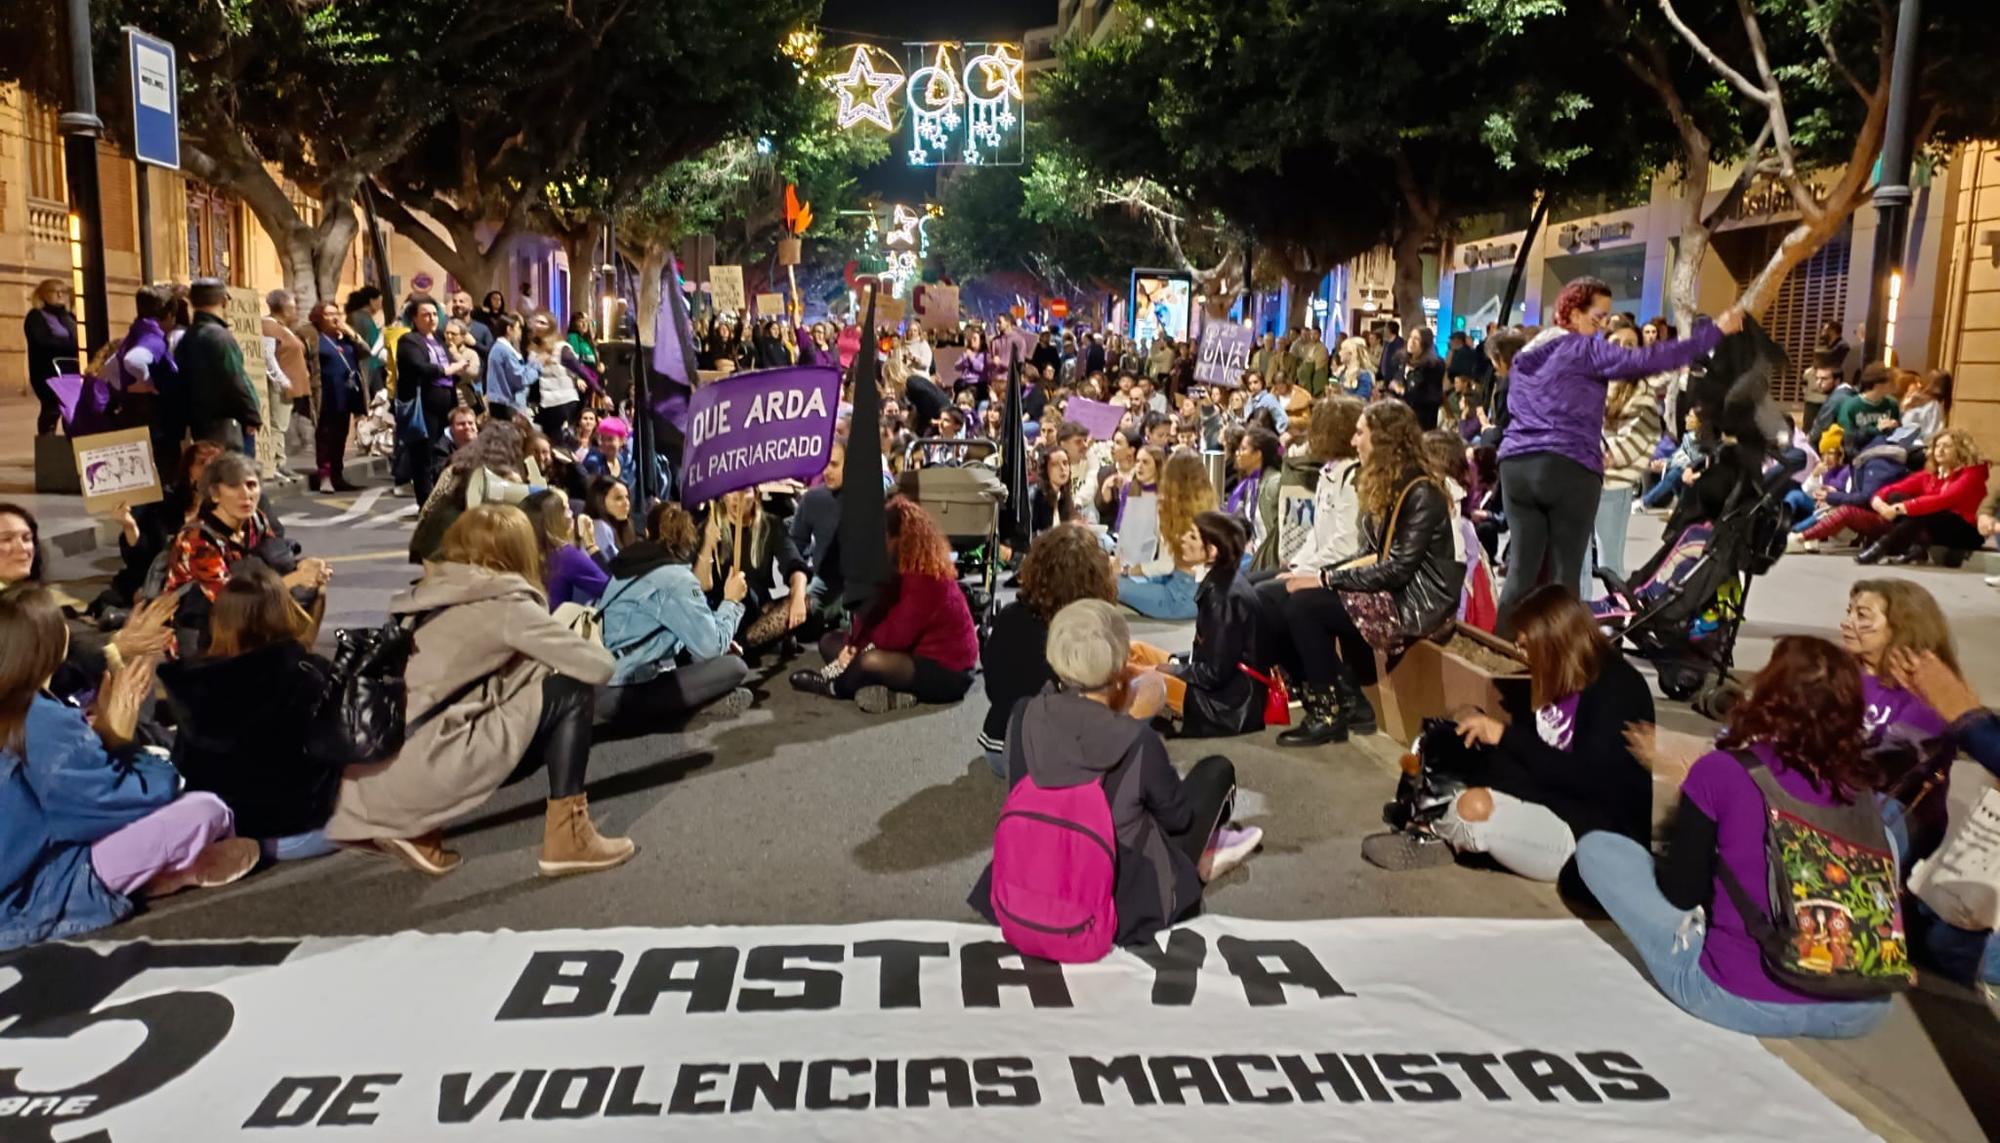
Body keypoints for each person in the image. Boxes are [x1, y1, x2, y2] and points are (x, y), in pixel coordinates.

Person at [1575, 636, 1894, 1039]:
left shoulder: (1721, 771)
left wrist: (1686, 788)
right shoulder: (1859, 787)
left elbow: (1681, 894)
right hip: (1859, 1009)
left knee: (1600, 850)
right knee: (1884, 842)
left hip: (1740, 998)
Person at [326, 505, 630, 877]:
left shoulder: (425, 596)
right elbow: (599, 667)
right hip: (427, 769)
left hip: (370, 776)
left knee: (516, 683)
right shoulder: (504, 603)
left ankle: (418, 831)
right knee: (570, 689)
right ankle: (569, 836)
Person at [969, 600, 1259, 949]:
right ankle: (1196, 865)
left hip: (1035, 877)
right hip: (1117, 900)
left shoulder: (1023, 716)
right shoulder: (1136, 740)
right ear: (1121, 664)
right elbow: (1178, 818)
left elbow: (1024, 792)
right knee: (1216, 771)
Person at [1, 585, 265, 952]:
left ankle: (165, 871)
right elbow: (117, 805)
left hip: (27, 869)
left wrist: (105, 738)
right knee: (206, 810)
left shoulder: (26, 708)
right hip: (31, 893)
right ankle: (160, 874)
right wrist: (120, 742)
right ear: (51, 640)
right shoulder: (39, 719)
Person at [1495, 277, 1740, 634]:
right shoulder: (1583, 349)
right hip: (1569, 465)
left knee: (1520, 571)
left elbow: (1515, 408)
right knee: (1565, 578)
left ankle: (1498, 658)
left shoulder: (1524, 358)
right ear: (1573, 313)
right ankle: (1564, 672)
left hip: (1516, 466)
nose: (1602, 326)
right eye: (1597, 318)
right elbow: (1651, 358)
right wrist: (1713, 333)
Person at [1413, 585, 1655, 892]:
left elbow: (1585, 781)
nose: (1519, 650)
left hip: (1591, 835)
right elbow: (1534, 756)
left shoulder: (1617, 690)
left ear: (1553, 643)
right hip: (1551, 805)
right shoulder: (1559, 676)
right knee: (1459, 768)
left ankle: (1437, 828)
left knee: (1471, 808)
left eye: (1527, 645)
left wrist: (1504, 738)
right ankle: (1445, 825)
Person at [1274, 400, 1461, 745]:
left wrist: (1324, 579)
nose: (1353, 441)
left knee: (1304, 607)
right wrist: (1312, 575)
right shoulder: (1387, 481)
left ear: (1385, 439)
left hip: (1416, 607)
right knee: (1293, 595)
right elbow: (1368, 555)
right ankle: (1350, 701)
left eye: (1361, 433)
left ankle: (1327, 713)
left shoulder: (1419, 491)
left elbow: (1396, 570)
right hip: (1393, 592)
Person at [156, 565, 341, 861]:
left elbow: (186, 761)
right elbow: (338, 748)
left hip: (223, 827)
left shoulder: (191, 683)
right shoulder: (302, 673)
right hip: (294, 829)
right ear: (281, 612)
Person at [790, 497, 977, 712]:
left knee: (871, 660)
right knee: (828, 641)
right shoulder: (893, 569)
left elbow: (894, 639)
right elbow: (870, 622)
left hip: (947, 670)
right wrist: (854, 643)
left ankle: (833, 686)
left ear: (901, 539)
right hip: (907, 653)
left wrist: (858, 648)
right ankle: (891, 691)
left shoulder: (926, 580)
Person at [979, 524, 1124, 775]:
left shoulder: (1008, 615)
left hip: (998, 747)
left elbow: (993, 687)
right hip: (1054, 754)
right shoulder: (1086, 631)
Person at [596, 502, 754, 727]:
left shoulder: (629, 564)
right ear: (690, 539)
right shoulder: (675, 578)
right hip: (621, 692)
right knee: (733, 667)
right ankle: (698, 706)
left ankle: (696, 703)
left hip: (601, 677)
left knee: (704, 656)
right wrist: (731, 601)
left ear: (648, 532)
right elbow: (710, 648)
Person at [162, 451, 330, 645]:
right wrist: (293, 579)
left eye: (251, 485)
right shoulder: (196, 539)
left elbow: (274, 563)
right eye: (234, 486)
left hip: (247, 606)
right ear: (215, 494)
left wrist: (304, 567)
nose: (246, 495)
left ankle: (298, 655)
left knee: (314, 589)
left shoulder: (256, 520)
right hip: (203, 625)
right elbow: (228, 600)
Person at [1141, 512, 1269, 737]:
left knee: (1134, 674)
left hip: (1225, 702)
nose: (1182, 539)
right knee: (1136, 651)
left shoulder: (1222, 598)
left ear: (1212, 551)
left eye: (1192, 537)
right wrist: (1176, 663)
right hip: (1216, 683)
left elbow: (1214, 674)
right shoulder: (1222, 581)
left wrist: (1172, 669)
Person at [695, 488, 811, 655]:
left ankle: (737, 646)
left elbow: (794, 563)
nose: (738, 498)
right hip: (720, 609)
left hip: (756, 609)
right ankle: (764, 641)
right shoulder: (710, 524)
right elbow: (698, 586)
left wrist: (798, 595)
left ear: (756, 494)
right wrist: (707, 544)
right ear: (723, 495)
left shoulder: (770, 524)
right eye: (731, 491)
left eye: (745, 491)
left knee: (803, 601)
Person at [1854, 428, 1989, 567]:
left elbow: (1944, 500)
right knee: (1896, 497)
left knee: (1920, 513)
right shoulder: (1931, 474)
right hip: (1935, 524)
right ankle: (1912, 548)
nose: (1940, 450)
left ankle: (1882, 548)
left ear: (1961, 451)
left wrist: (1900, 508)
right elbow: (1891, 489)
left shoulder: (1972, 475)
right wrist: (1879, 503)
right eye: (1937, 446)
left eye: (1947, 446)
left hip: (1965, 531)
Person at [408, 420, 531, 564]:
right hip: (478, 550)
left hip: (438, 541)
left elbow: (430, 506)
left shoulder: (454, 469)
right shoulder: (510, 480)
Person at [1117, 451, 1218, 621]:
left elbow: (1166, 565)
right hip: (1203, 591)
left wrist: (1125, 570)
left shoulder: (1168, 510)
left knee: (1108, 584)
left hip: (1177, 597)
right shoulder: (1211, 506)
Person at [175, 278, 264, 453]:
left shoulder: (188, 337)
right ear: (224, 300)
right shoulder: (220, 337)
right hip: (229, 425)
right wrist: (251, 415)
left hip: (201, 424)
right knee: (237, 474)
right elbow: (234, 378)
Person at [1595, 375, 1665, 589]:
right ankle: (1585, 613)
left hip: (1614, 483)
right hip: (1583, 479)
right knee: (1580, 560)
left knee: (1609, 559)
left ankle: (1619, 608)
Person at [259, 290, 313, 484]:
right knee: (277, 425)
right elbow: (268, 358)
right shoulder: (268, 327)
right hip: (280, 386)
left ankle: (280, 462)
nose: (296, 311)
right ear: (283, 309)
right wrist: (283, 381)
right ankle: (275, 465)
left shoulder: (283, 328)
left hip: (289, 385)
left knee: (281, 425)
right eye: (293, 307)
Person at [523, 489, 609, 608]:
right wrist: (591, 545)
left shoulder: (521, 551)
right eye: (566, 509)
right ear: (555, 519)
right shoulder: (565, 556)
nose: (571, 514)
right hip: (552, 624)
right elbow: (611, 590)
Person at [23, 278, 79, 435]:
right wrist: (73, 347)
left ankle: (72, 444)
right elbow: (43, 341)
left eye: (64, 291)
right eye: (55, 291)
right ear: (42, 295)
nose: (60, 294)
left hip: (72, 370)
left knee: (73, 408)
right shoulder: (35, 316)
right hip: (48, 372)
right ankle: (47, 446)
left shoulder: (70, 317)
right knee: (52, 408)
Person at [1227, 427, 1283, 571]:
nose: (1237, 454)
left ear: (1257, 454)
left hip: (1269, 561)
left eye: (1243, 449)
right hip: (1253, 553)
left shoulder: (1274, 483)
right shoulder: (1250, 483)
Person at [1833, 363, 1901, 453]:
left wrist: (1894, 426)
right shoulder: (1850, 406)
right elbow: (1847, 436)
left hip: (1886, 452)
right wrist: (1876, 430)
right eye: (1891, 382)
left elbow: (1898, 434)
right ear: (1878, 385)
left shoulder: (1892, 404)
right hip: (1859, 452)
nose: (1895, 385)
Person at [484, 313, 538, 417]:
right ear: (509, 329)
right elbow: (520, 378)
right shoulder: (504, 351)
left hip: (502, 402)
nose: (520, 333)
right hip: (506, 404)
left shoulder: (500, 349)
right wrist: (536, 365)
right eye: (518, 328)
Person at [1400, 328, 1447, 430]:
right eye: (1410, 337)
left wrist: (1404, 391)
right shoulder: (1403, 361)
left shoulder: (1434, 365)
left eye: (1416, 339)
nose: (1411, 341)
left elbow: (1433, 396)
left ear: (1425, 343)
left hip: (1423, 419)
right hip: (1403, 416)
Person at [584, 475, 634, 565]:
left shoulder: (623, 526)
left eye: (627, 497)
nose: (626, 503)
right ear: (599, 501)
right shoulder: (599, 527)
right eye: (618, 498)